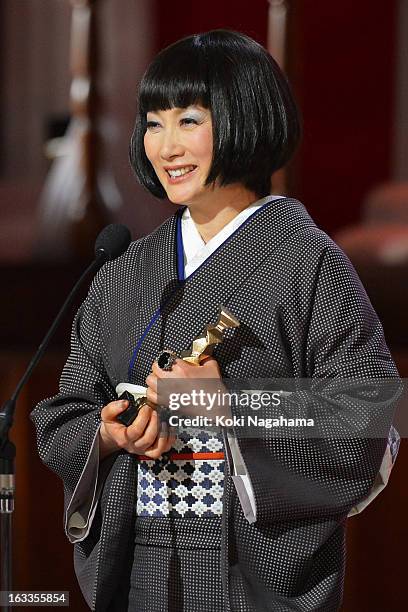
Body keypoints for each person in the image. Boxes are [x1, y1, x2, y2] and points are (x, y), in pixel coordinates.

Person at [31, 30, 400, 612]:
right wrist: (107, 433)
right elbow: (66, 411)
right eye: (153, 122)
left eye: (189, 120)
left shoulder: (307, 260)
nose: (167, 145)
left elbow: (369, 413)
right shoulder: (127, 268)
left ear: (247, 118)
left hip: (247, 577)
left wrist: (231, 405)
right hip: (142, 571)